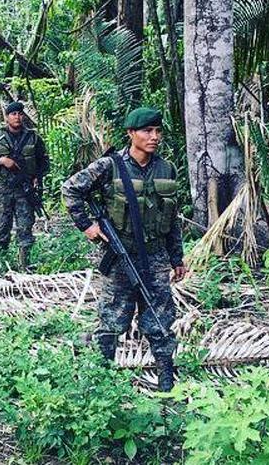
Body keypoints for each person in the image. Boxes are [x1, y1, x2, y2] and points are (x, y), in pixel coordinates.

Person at [61, 106, 188, 391]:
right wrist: (87, 226)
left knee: (160, 320)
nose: (154, 137)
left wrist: (176, 257)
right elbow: (71, 189)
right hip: (120, 256)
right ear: (131, 134)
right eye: (147, 131)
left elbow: (172, 217)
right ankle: (103, 383)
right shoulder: (111, 166)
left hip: (156, 257)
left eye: (157, 131)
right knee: (111, 321)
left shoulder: (167, 169)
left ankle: (167, 383)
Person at [0, 101, 50, 268]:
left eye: (20, 114)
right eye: (13, 114)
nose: (17, 117)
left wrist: (36, 177)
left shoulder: (33, 137)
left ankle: (23, 265)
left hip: (24, 191)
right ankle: (2, 263)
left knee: (25, 228)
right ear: (7, 117)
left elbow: (44, 161)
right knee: (2, 228)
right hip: (3, 189)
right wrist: (1, 160)